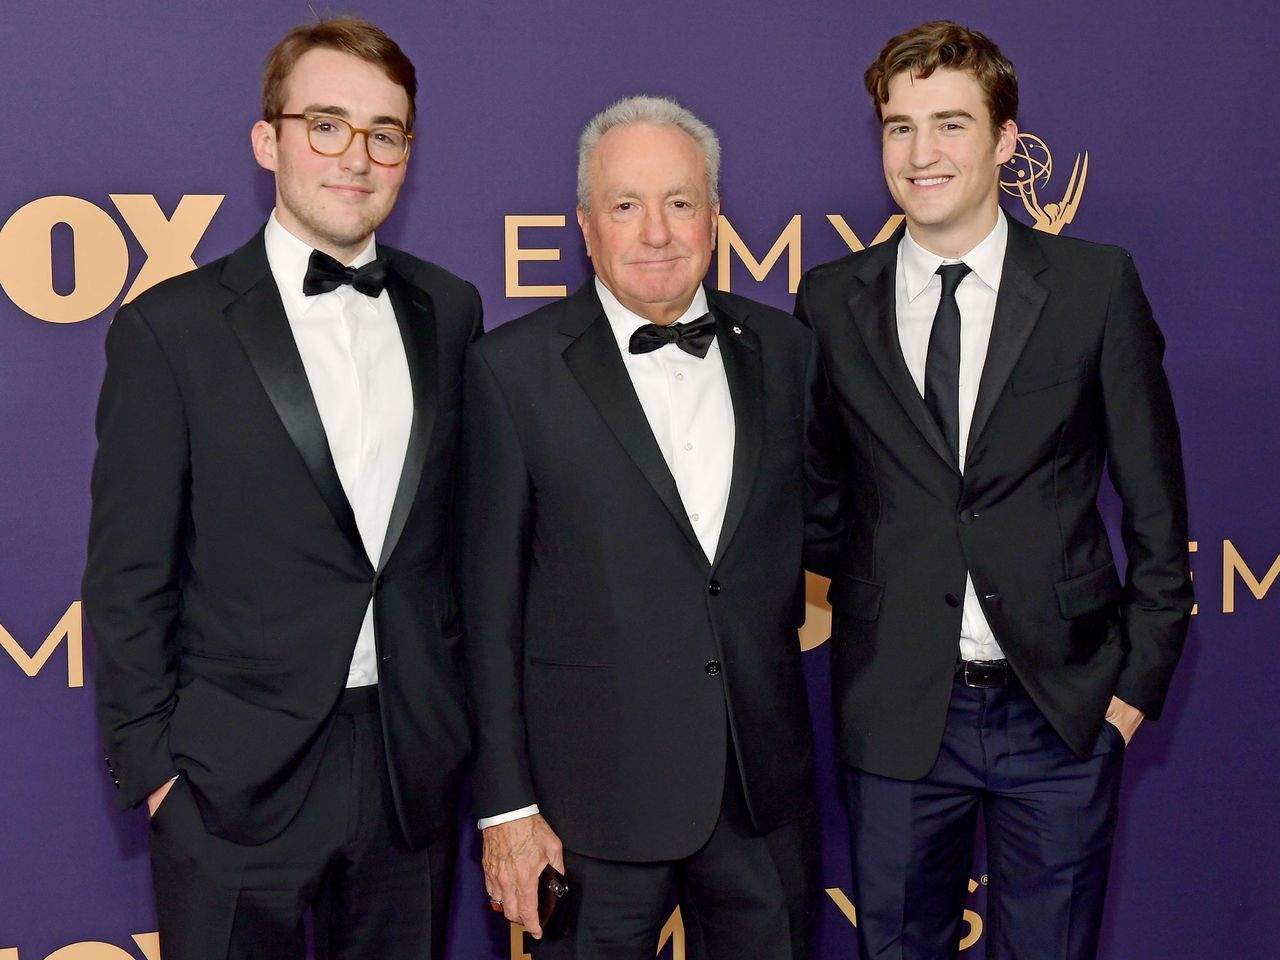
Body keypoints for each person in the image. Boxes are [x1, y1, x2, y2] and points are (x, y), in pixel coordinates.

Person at [83, 17, 481, 960]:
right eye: (327, 124)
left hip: (406, 769)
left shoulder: (450, 309)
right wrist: (158, 775)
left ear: (407, 154)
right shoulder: (170, 330)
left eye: (385, 132)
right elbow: (127, 573)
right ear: (269, 141)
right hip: (229, 782)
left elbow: (462, 540)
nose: (358, 155)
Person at [796, 20, 1193, 960]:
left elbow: (1158, 510)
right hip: (899, 710)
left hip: (1058, 708)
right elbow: (817, 499)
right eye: (899, 127)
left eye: (950, 125)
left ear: (1006, 143)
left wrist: (1130, 690)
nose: (921, 153)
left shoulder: (1096, 286)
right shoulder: (829, 299)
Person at [462, 95, 831, 959]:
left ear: (714, 218)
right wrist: (509, 808)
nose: (657, 231)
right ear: (586, 226)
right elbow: (486, 612)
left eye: (680, 203)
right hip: (586, 811)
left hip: (760, 795)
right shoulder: (510, 372)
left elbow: (838, 527)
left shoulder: (786, 352)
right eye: (627, 206)